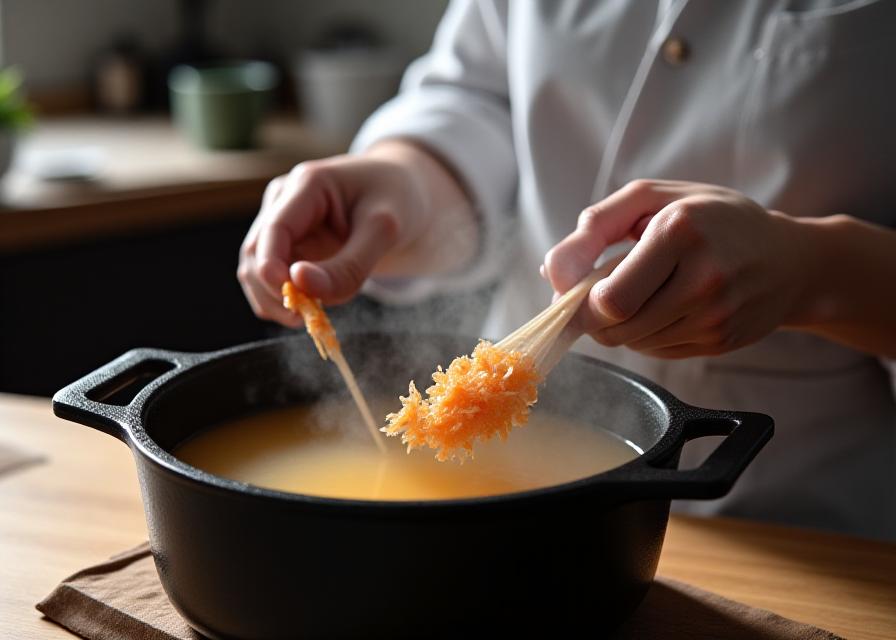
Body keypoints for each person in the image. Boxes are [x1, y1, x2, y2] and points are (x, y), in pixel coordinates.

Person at [238, 1, 896, 540]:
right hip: (507, 499)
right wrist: (405, 177)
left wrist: (817, 274)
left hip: (801, 527)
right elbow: (481, 92)